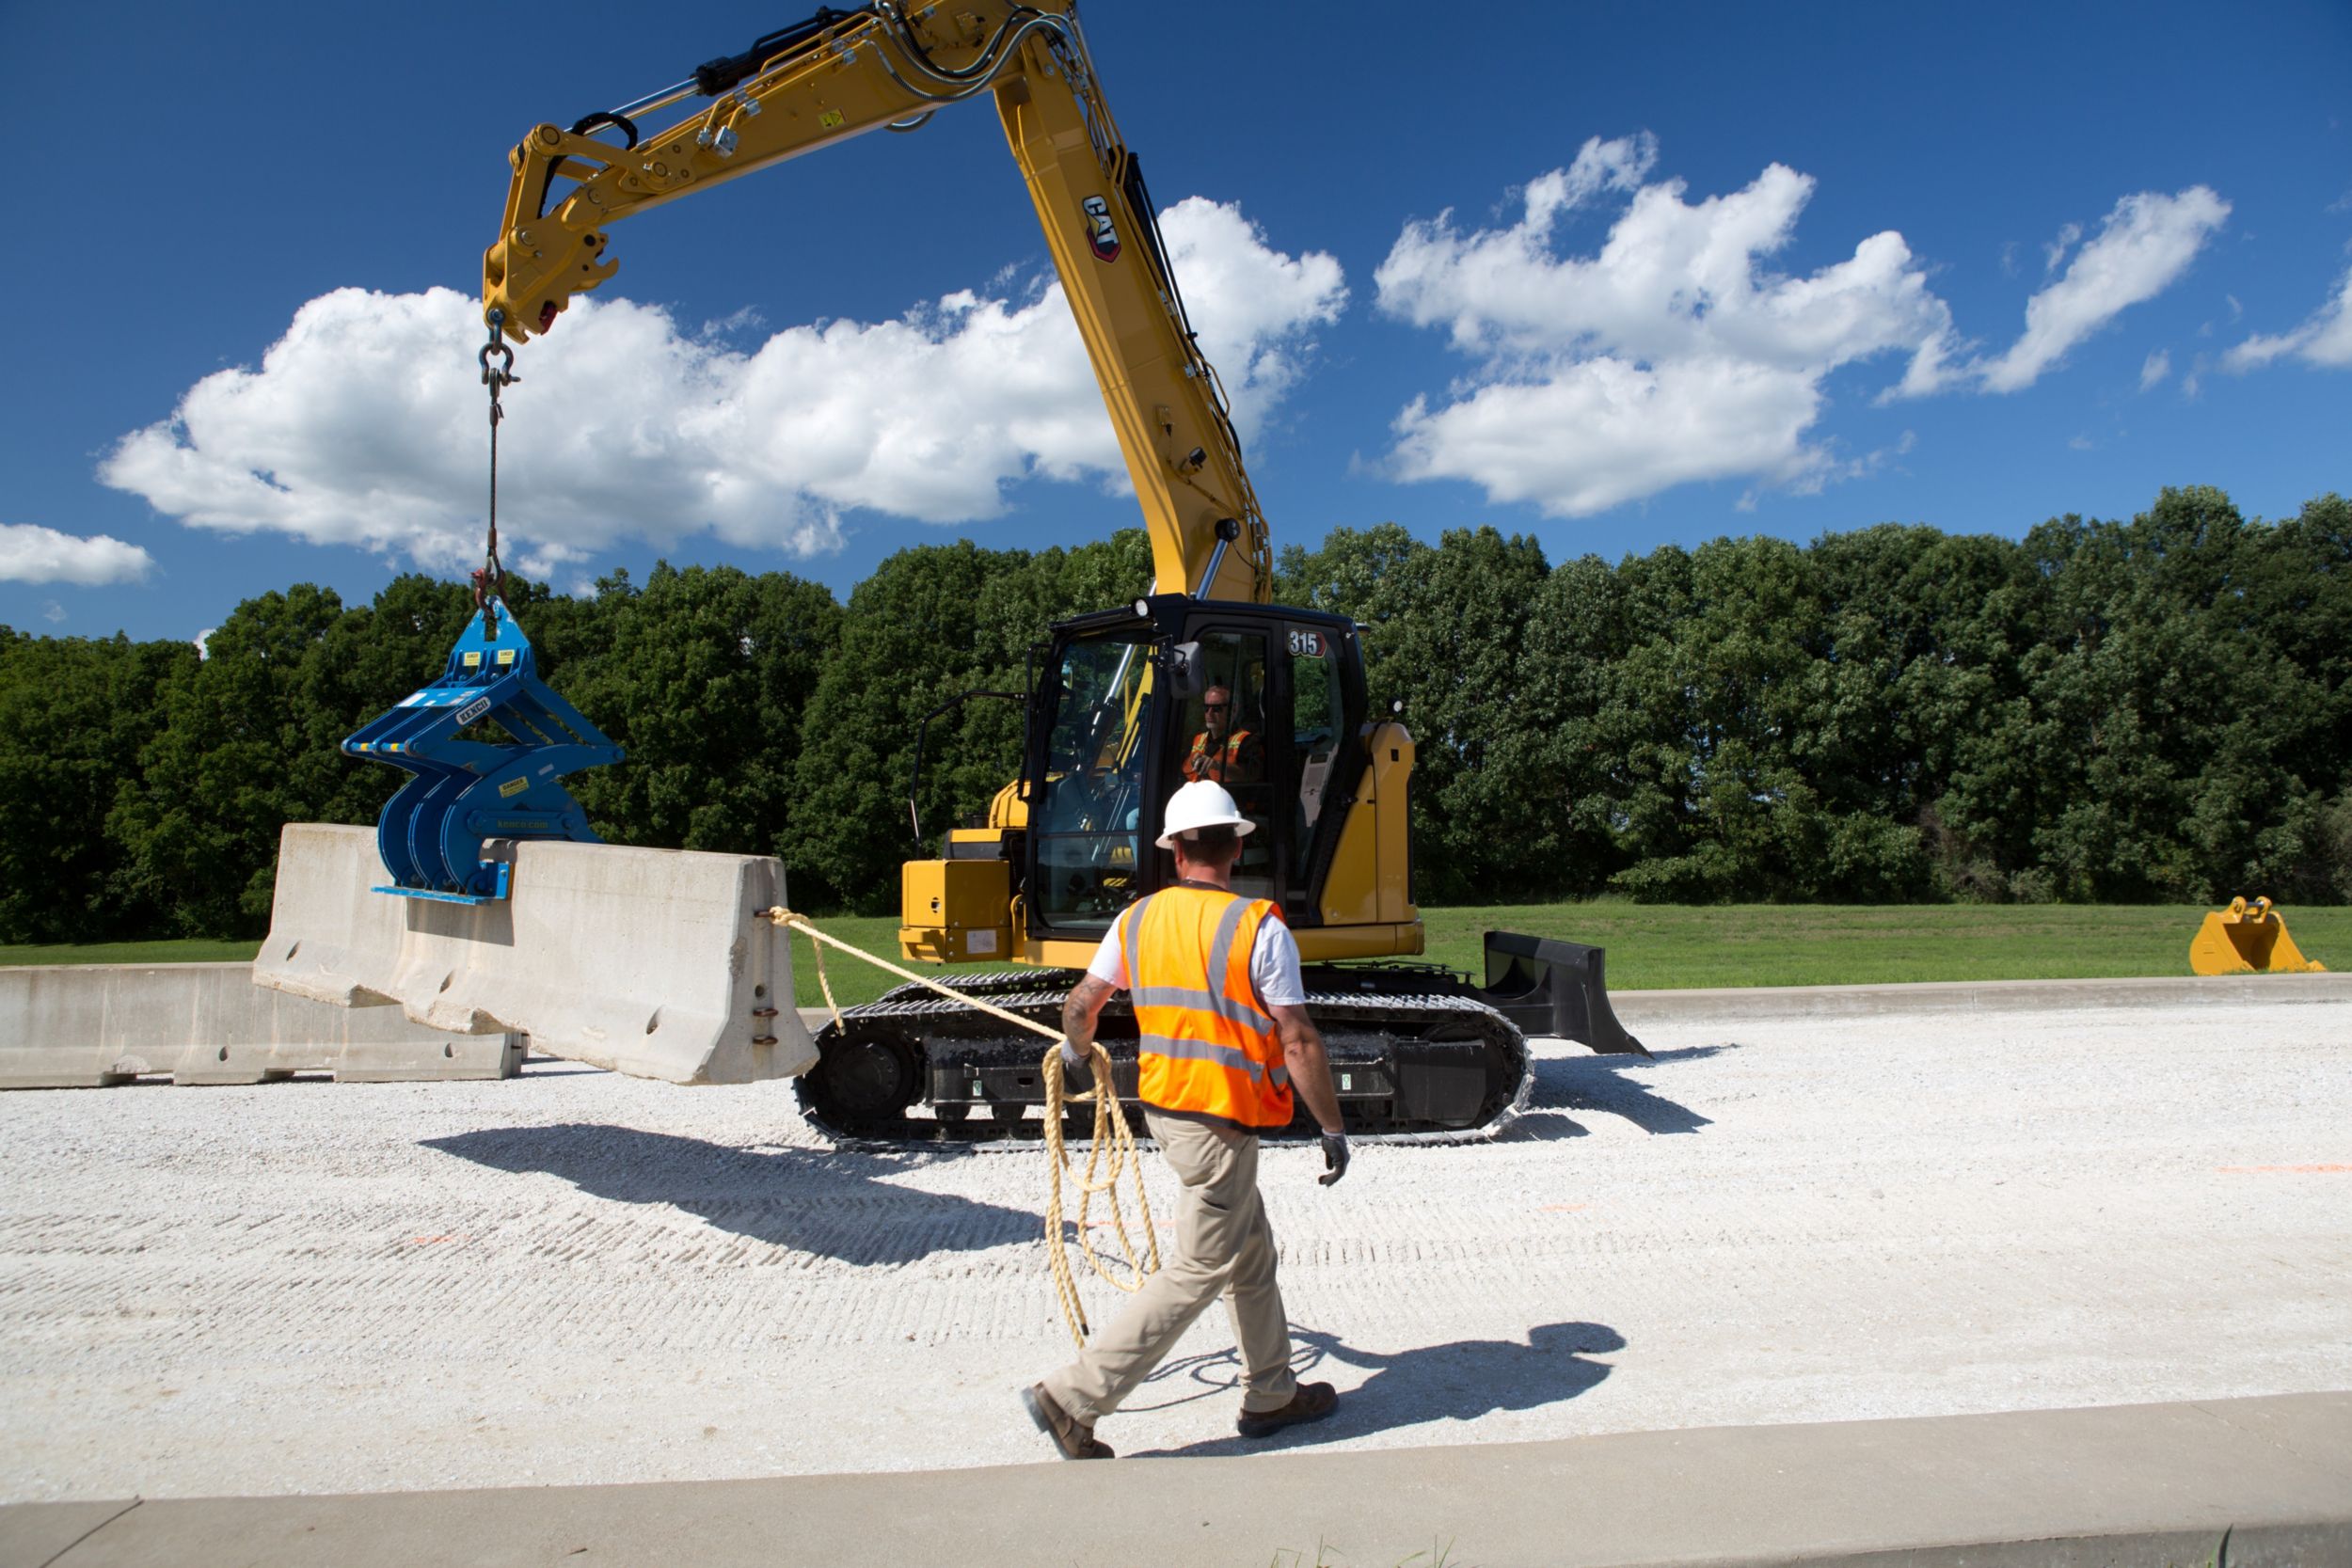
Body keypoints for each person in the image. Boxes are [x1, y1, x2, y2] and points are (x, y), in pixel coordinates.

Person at [1021, 780, 1350, 1460]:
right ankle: (1072, 1397)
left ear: (1175, 854)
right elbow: (1297, 1039)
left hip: (1167, 1113)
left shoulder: (1136, 919)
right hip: (1221, 1122)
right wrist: (1333, 1127)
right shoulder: (1259, 926)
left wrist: (1077, 1055)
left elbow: (1082, 1005)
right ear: (1234, 847)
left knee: (1249, 1251)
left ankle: (1271, 1391)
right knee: (1199, 1268)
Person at [1180, 684, 1263, 786]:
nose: (1209, 713)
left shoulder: (1247, 741)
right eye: (1206, 707)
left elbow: (1251, 775)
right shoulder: (1197, 739)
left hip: (1228, 800)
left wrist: (1217, 765)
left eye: (1216, 708)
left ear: (1233, 710)